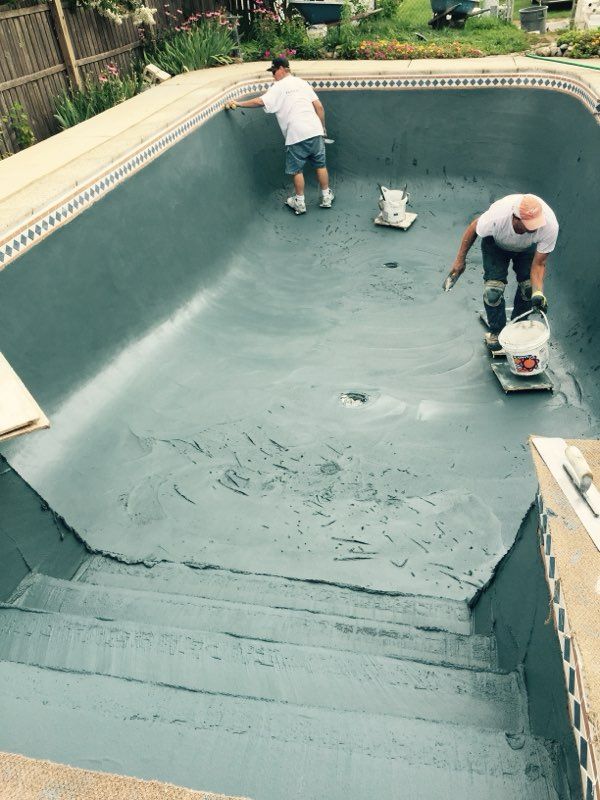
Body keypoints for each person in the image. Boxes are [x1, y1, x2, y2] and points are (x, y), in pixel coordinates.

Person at [447, 194, 558, 350]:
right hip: (495, 245)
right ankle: (497, 332)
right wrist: (460, 260)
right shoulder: (497, 215)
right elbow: (473, 227)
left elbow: (539, 263)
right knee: (493, 292)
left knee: (528, 290)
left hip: (527, 249)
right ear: (515, 218)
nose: (533, 228)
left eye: (535, 224)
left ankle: (518, 327)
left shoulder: (549, 225)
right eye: (528, 225)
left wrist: (538, 292)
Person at [225, 56, 334, 215]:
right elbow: (319, 107)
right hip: (315, 130)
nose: (273, 75)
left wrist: (239, 103)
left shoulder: (278, 87)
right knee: (320, 165)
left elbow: (260, 102)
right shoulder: (302, 83)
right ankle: (326, 197)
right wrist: (322, 128)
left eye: (274, 71)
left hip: (296, 133)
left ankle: (300, 203)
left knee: (297, 170)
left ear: (282, 69)